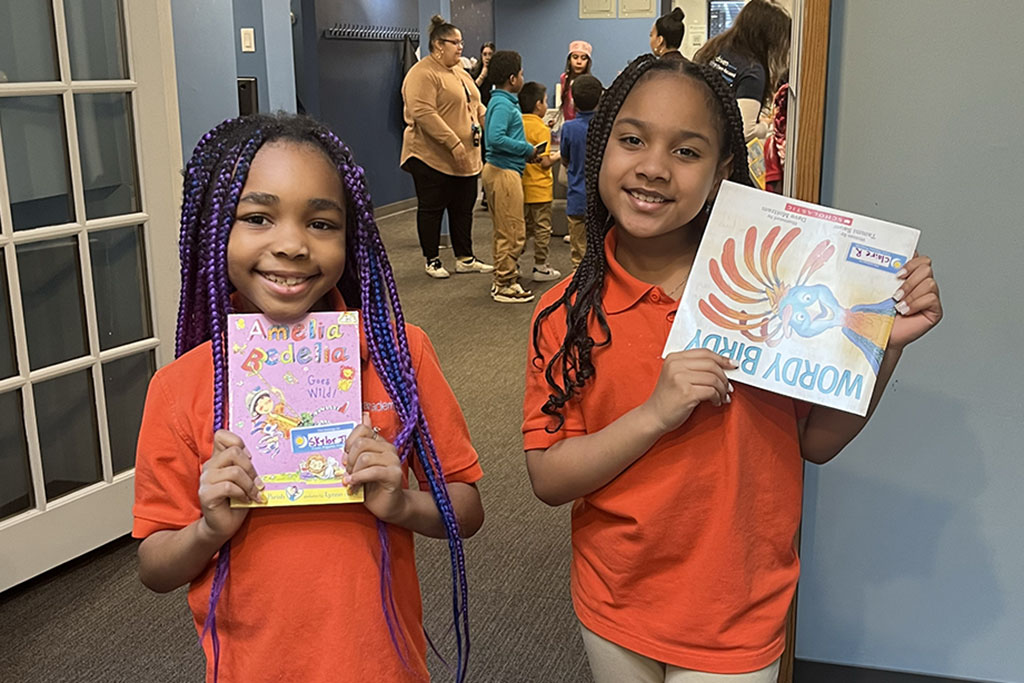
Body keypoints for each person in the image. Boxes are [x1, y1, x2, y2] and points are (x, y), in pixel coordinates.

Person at [523, 55, 942, 683]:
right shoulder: (567, 309)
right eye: (632, 139)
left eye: (687, 152)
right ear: (600, 143)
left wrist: (883, 346)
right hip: (616, 600)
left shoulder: (769, 292)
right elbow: (549, 478)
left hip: (738, 608)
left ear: (722, 173)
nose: (654, 167)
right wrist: (654, 415)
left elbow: (815, 445)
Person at [133, 113, 485, 683]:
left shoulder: (399, 356)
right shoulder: (180, 388)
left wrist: (400, 504)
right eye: (257, 217)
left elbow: (465, 511)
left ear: (352, 236)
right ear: (213, 228)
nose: (292, 244)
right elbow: (154, 566)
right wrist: (208, 528)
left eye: (322, 223)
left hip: (383, 667)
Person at [400, 15, 494, 279]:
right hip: (431, 156)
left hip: (466, 156)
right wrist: (452, 142)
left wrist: (491, 126)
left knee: (463, 208)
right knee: (432, 208)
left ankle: (465, 258)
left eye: (461, 42)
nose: (460, 47)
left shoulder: (460, 72)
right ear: (438, 44)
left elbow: (475, 104)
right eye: (455, 42)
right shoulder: (422, 73)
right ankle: (432, 259)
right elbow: (423, 112)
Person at [482, 50, 541, 303]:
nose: (522, 77)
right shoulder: (504, 104)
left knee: (504, 229)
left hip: (502, 170)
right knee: (513, 230)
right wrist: (527, 149)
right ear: (512, 78)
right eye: (520, 73)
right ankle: (505, 282)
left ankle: (503, 277)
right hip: (504, 173)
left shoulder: (500, 102)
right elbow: (495, 138)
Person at [694, 0, 791, 142]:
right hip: (715, 142)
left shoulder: (716, 47)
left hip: (694, 126)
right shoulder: (753, 71)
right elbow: (744, 131)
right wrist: (765, 126)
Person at [519, 80, 562, 282]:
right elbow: (544, 162)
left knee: (523, 229)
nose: (546, 105)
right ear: (538, 105)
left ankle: (515, 263)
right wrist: (557, 156)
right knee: (543, 228)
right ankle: (540, 266)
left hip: (522, 187)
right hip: (540, 189)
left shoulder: (517, 123)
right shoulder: (541, 129)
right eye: (545, 101)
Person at [559, 74, 602, 269]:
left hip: (577, 195)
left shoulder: (568, 128)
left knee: (578, 253)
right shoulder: (606, 128)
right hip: (601, 198)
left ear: (573, 100)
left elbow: (565, 158)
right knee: (600, 247)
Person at [558, 40, 593, 123]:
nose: (579, 62)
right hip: (568, 124)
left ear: (588, 62)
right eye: (575, 57)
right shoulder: (564, 78)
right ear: (569, 60)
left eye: (583, 58)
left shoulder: (590, 82)